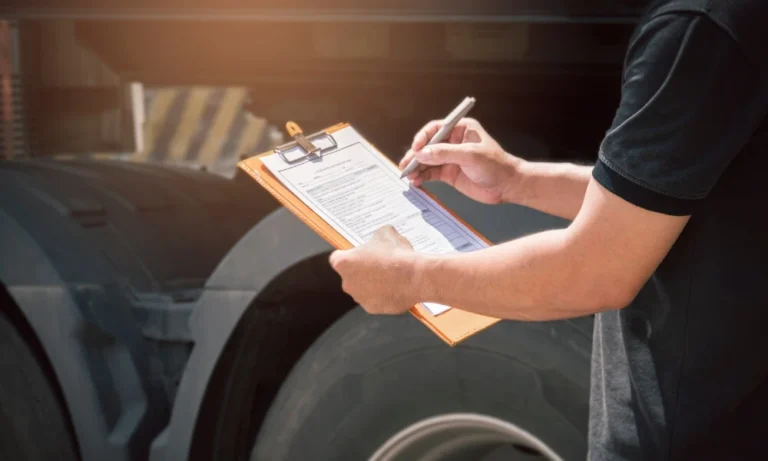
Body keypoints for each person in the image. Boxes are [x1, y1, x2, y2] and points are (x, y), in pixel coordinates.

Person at [328, 0, 768, 459]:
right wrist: (516, 179)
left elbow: (596, 270)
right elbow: (659, 211)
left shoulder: (700, 30)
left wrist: (410, 279)